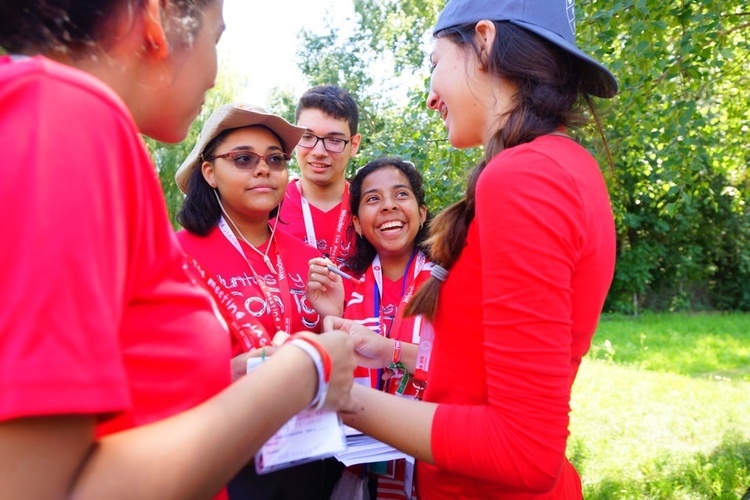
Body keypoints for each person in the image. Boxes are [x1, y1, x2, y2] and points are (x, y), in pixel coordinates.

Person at [0, 2, 356, 499]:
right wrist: (306, 369)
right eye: (217, 36)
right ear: (157, 18)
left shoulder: (52, 115)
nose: (213, 73)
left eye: (275, 160)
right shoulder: (66, 117)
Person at [331, 0, 619, 498]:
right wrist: (395, 351)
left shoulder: (524, 177)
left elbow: (524, 450)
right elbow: (486, 368)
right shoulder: (561, 166)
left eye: (434, 63)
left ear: (483, 41)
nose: (429, 96)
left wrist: (330, 393)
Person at [174, 102, 332, 500]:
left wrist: (333, 319)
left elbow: (327, 350)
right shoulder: (173, 256)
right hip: (223, 460)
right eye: (243, 159)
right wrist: (230, 371)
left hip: (309, 455)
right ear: (209, 172)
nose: (263, 169)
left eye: (275, 159)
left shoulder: (309, 258)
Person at [308, 156, 432, 498]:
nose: (389, 206)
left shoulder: (451, 282)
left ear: (421, 214)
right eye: (373, 199)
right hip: (363, 476)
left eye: (400, 195)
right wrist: (331, 316)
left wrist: (392, 350)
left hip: (436, 466)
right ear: (358, 224)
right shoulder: (351, 293)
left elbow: (468, 370)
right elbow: (332, 391)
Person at [275, 85, 361, 271]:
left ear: (354, 144)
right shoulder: (269, 204)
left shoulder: (369, 208)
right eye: (307, 137)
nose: (319, 152)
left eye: (334, 140)